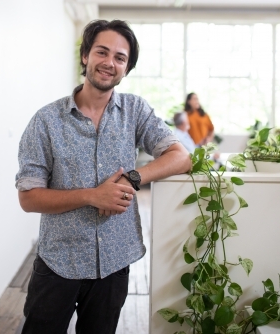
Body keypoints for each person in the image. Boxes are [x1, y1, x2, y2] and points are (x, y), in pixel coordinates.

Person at [16, 19, 191, 334]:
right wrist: (91, 195)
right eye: (102, 52)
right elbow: (28, 197)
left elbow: (180, 156)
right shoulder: (45, 121)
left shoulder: (135, 111)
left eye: (120, 58)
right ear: (85, 56)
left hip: (114, 260)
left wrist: (133, 178)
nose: (110, 63)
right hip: (59, 260)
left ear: (127, 68)